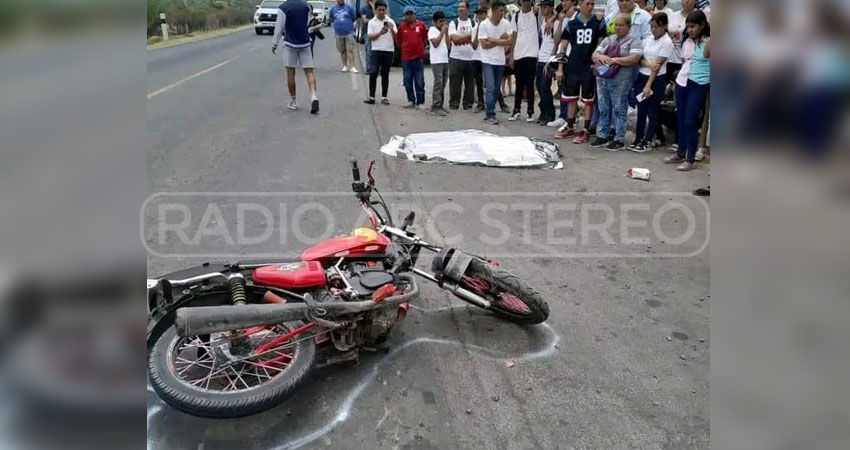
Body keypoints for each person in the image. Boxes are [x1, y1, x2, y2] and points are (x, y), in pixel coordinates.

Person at [553, 0, 606, 142]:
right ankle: (570, 125)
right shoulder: (572, 24)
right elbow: (563, 47)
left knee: (588, 100)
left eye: (592, 4)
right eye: (587, 4)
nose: (590, 7)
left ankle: (586, 129)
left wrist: (597, 64)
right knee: (571, 98)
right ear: (580, 5)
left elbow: (602, 45)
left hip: (589, 66)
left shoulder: (598, 22)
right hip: (573, 64)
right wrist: (560, 68)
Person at [589, 13, 642, 150]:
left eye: (621, 25)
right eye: (616, 25)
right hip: (603, 79)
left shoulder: (634, 41)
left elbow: (634, 59)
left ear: (629, 27)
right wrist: (602, 57)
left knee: (619, 108)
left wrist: (615, 60)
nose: (618, 28)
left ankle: (618, 138)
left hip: (621, 81)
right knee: (603, 107)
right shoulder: (608, 39)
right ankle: (603, 135)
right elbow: (595, 55)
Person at [664, 10, 708, 171]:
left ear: (702, 26)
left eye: (693, 26)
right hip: (683, 81)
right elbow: (684, 61)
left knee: (691, 120)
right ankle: (680, 152)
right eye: (688, 27)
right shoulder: (687, 41)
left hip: (699, 83)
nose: (690, 30)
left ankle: (690, 157)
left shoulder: (708, 42)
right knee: (681, 118)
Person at [629, 12, 672, 152]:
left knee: (652, 111)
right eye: (651, 27)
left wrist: (648, 85)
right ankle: (638, 138)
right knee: (641, 110)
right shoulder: (648, 40)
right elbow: (639, 60)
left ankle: (647, 140)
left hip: (656, 79)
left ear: (664, 26)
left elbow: (657, 67)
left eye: (656, 27)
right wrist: (648, 64)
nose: (653, 30)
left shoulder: (666, 42)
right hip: (642, 75)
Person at [272, 0, 320, 114]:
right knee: (309, 71)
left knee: (290, 72)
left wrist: (274, 43)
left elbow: (279, 28)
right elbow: (308, 22)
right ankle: (313, 96)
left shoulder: (284, 8)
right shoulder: (306, 6)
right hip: (305, 42)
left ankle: (293, 101)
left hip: (290, 44)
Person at [477, 0, 514, 125]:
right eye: (500, 11)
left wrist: (493, 40)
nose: (502, 13)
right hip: (487, 60)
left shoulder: (506, 23)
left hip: (500, 61)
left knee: (497, 88)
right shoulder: (484, 25)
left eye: (504, 11)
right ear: (493, 11)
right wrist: (499, 40)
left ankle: (490, 111)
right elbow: (484, 45)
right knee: (491, 87)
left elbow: (510, 41)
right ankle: (490, 113)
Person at [508, 0, 540, 122]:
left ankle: (530, 111)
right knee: (519, 83)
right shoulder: (516, 16)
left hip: (532, 53)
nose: (525, 2)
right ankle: (516, 110)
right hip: (519, 53)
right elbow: (514, 36)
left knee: (530, 83)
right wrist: (511, 54)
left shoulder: (536, 13)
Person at [363, 0, 396, 105]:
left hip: (388, 51)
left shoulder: (390, 21)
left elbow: (397, 38)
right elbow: (370, 37)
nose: (381, 12)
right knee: (373, 72)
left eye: (383, 10)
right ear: (376, 10)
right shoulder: (372, 22)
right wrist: (380, 33)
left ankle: (384, 97)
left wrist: (392, 30)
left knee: (385, 74)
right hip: (376, 50)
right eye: (379, 10)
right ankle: (372, 96)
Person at [396, 6, 428, 108]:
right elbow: (399, 41)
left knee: (419, 81)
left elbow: (424, 38)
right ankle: (411, 100)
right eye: (407, 14)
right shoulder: (401, 27)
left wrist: (419, 48)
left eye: (411, 14)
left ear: (414, 15)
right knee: (407, 80)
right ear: (404, 15)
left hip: (418, 58)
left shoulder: (421, 25)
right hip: (406, 58)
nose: (409, 16)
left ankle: (420, 102)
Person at [448, 1, 476, 111]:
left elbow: (475, 40)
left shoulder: (473, 23)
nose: (460, 9)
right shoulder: (453, 23)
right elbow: (454, 40)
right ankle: (454, 104)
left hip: (470, 57)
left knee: (470, 83)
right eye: (459, 7)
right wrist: (469, 35)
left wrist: (461, 38)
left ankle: (468, 104)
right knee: (455, 82)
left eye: (463, 7)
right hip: (456, 57)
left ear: (467, 9)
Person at [535, 0, 559, 125]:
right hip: (541, 56)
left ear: (551, 8)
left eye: (545, 7)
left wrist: (550, 61)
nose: (543, 10)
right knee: (539, 86)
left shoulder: (556, 22)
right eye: (542, 7)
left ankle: (549, 114)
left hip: (549, 58)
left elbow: (556, 43)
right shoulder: (542, 21)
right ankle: (543, 111)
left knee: (545, 86)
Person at [429, 11, 451, 115]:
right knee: (438, 82)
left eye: (443, 21)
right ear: (434, 22)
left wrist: (446, 33)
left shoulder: (444, 31)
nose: (442, 23)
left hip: (444, 59)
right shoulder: (432, 30)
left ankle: (440, 104)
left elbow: (449, 45)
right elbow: (435, 44)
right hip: (436, 60)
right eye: (440, 21)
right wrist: (442, 32)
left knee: (443, 83)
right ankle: (435, 106)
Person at [330, 0, 359, 73]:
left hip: (349, 32)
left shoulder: (349, 7)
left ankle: (352, 67)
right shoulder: (333, 9)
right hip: (338, 33)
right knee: (342, 50)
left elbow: (353, 18)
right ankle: (344, 66)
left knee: (350, 50)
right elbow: (332, 19)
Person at [471, 7, 489, 112]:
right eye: (478, 14)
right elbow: (474, 45)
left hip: (487, 57)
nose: (480, 16)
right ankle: (481, 102)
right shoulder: (474, 28)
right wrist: (478, 30)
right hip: (476, 57)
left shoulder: (489, 27)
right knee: (478, 82)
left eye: (482, 14)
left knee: (490, 81)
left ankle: (501, 102)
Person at [358, 0, 376, 73]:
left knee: (376, 51)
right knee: (368, 50)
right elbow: (365, 20)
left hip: (376, 31)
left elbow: (377, 17)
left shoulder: (377, 8)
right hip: (367, 32)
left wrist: (373, 7)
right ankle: (368, 68)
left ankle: (376, 68)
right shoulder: (363, 9)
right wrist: (374, 20)